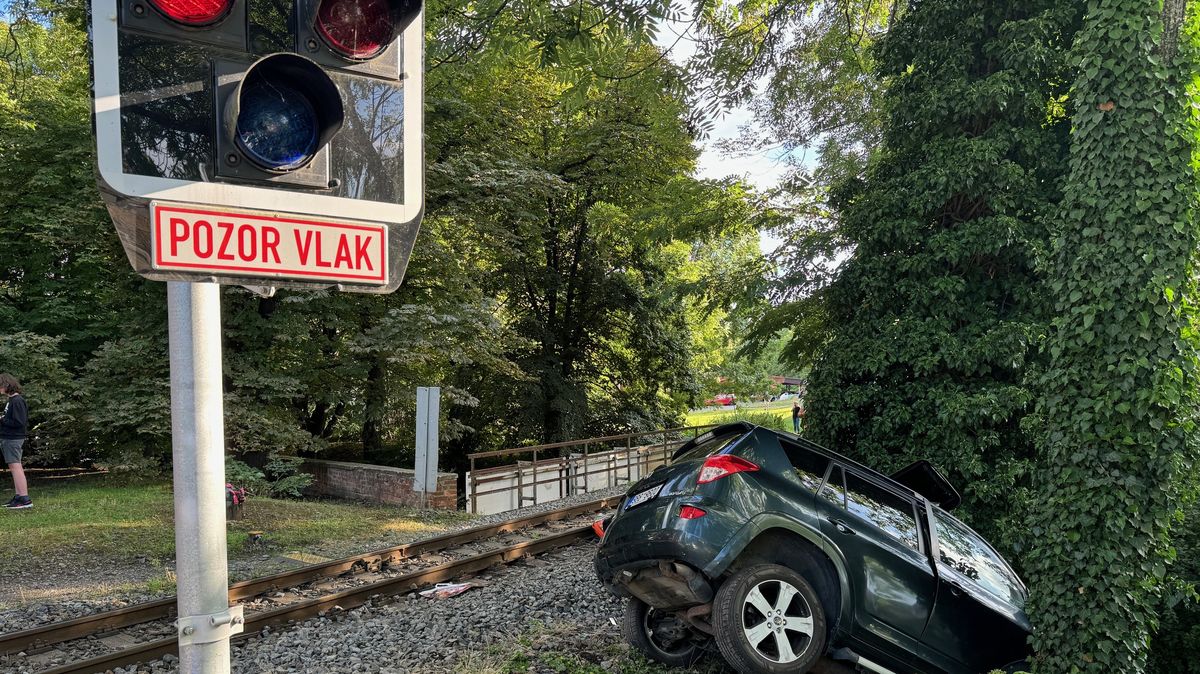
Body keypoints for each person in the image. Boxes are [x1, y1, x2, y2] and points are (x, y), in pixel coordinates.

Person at [1, 373, 31, 509]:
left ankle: (25, 498)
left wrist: (1, 419)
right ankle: (19, 496)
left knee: (16, 466)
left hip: (13, 438)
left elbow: (19, 422)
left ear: (7, 385)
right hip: (9, 438)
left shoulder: (17, 400)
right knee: (14, 466)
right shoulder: (12, 400)